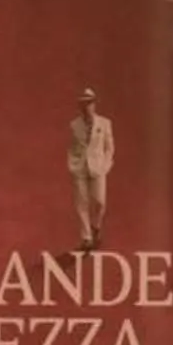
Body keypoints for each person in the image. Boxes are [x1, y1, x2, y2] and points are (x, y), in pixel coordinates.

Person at [67, 87, 115, 252]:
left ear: (94, 105)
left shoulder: (105, 123)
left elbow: (109, 147)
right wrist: (72, 164)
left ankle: (96, 226)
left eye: (89, 103)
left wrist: (105, 165)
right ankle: (86, 238)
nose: (86, 107)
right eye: (83, 104)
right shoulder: (74, 125)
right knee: (82, 203)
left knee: (100, 202)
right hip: (80, 168)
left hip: (98, 168)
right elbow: (73, 147)